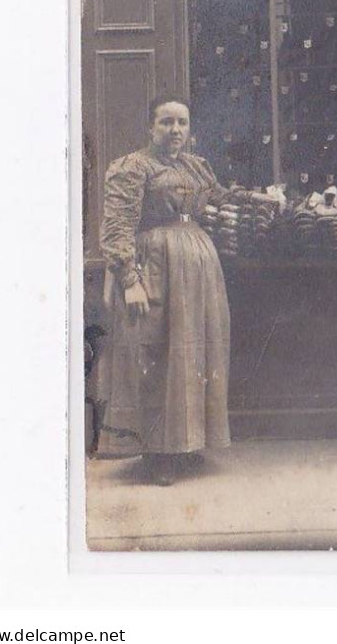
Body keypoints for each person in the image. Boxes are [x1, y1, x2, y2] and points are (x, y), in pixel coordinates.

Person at [96, 97, 238, 485]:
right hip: (156, 267)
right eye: (166, 122)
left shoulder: (194, 167)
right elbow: (116, 228)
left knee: (192, 353)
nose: (175, 130)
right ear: (151, 127)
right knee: (158, 353)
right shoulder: (133, 167)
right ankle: (159, 454)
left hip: (198, 272)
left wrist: (264, 198)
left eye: (182, 123)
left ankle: (185, 444)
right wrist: (130, 280)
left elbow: (220, 198)